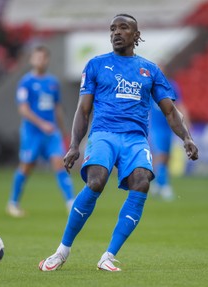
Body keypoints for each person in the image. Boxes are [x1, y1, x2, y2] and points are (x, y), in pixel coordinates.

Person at [38, 14, 199, 272]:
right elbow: (83, 109)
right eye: (113, 28)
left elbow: (170, 111)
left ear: (136, 35)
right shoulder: (96, 65)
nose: (116, 32)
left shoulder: (150, 70)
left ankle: (108, 256)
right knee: (96, 180)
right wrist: (74, 145)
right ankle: (62, 251)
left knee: (141, 182)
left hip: (135, 139)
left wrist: (187, 137)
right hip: (104, 133)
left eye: (123, 28)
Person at [6, 45, 75, 217]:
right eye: (37, 57)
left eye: (43, 57)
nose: (40, 60)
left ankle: (71, 203)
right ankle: (13, 203)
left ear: (47, 60)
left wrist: (64, 130)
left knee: (60, 164)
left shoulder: (53, 82)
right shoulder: (26, 82)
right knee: (26, 166)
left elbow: (57, 108)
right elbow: (23, 109)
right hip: (32, 133)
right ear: (31, 60)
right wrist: (41, 123)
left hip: (51, 133)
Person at [149, 71, 191, 201]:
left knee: (166, 157)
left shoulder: (171, 86)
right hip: (155, 127)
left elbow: (179, 104)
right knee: (160, 155)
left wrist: (186, 123)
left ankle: (157, 183)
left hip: (169, 126)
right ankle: (165, 186)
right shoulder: (149, 85)